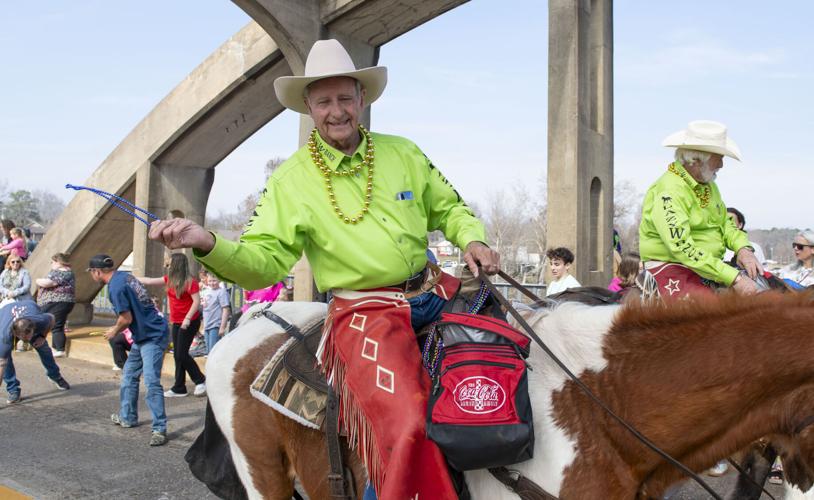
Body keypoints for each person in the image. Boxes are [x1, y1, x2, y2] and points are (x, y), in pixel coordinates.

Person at [147, 39, 499, 499]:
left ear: (362, 99)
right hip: (366, 313)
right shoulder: (290, 181)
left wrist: (471, 237)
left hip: (433, 290)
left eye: (345, 98)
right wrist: (208, 242)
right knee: (407, 424)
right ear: (309, 108)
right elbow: (262, 263)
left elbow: (451, 208)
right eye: (324, 101)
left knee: (514, 369)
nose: (337, 111)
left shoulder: (405, 153)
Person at [638, 120, 763, 300]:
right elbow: (682, 247)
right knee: (711, 314)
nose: (721, 164)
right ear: (695, 160)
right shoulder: (670, 190)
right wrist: (734, 277)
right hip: (672, 267)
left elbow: (725, 224)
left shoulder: (709, 186)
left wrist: (743, 249)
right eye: (718, 156)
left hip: (707, 268)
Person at [87, 254, 169, 446]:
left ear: (97, 272)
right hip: (143, 335)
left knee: (151, 381)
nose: (92, 275)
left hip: (153, 335)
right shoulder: (125, 276)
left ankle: (159, 428)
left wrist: (114, 331)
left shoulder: (115, 287)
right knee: (129, 376)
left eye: (91, 272)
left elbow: (126, 319)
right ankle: (127, 416)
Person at [138, 253, 206, 398]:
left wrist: (187, 319)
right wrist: (131, 278)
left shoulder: (190, 282)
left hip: (189, 321)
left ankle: (200, 380)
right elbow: (149, 281)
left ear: (176, 265)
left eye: (169, 264)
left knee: (181, 353)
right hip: (176, 321)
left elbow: (196, 302)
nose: (167, 266)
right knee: (177, 354)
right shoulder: (169, 280)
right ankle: (179, 387)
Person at [0, 300, 71, 404]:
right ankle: (13, 390)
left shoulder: (40, 320)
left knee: (43, 347)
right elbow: (1, 365)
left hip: (28, 306)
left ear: (33, 328)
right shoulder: (5, 336)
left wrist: (42, 336)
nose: (28, 340)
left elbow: (52, 319)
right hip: (5, 318)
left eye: (29, 336)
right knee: (5, 359)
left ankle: (55, 375)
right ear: (16, 334)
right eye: (23, 338)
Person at [35, 253, 76, 357]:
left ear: (59, 262)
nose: (51, 264)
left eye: (53, 261)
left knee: (57, 325)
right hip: (56, 302)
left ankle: (60, 349)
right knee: (55, 324)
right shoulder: (58, 272)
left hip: (59, 302)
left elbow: (49, 283)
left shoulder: (65, 272)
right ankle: (55, 348)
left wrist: (38, 280)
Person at [200, 272, 230, 354]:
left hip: (215, 325)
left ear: (219, 280)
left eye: (214, 281)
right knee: (209, 351)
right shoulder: (206, 292)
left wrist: (222, 327)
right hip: (207, 326)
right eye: (210, 281)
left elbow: (225, 309)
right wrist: (203, 326)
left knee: (213, 351)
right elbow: (205, 310)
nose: (212, 283)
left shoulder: (221, 292)